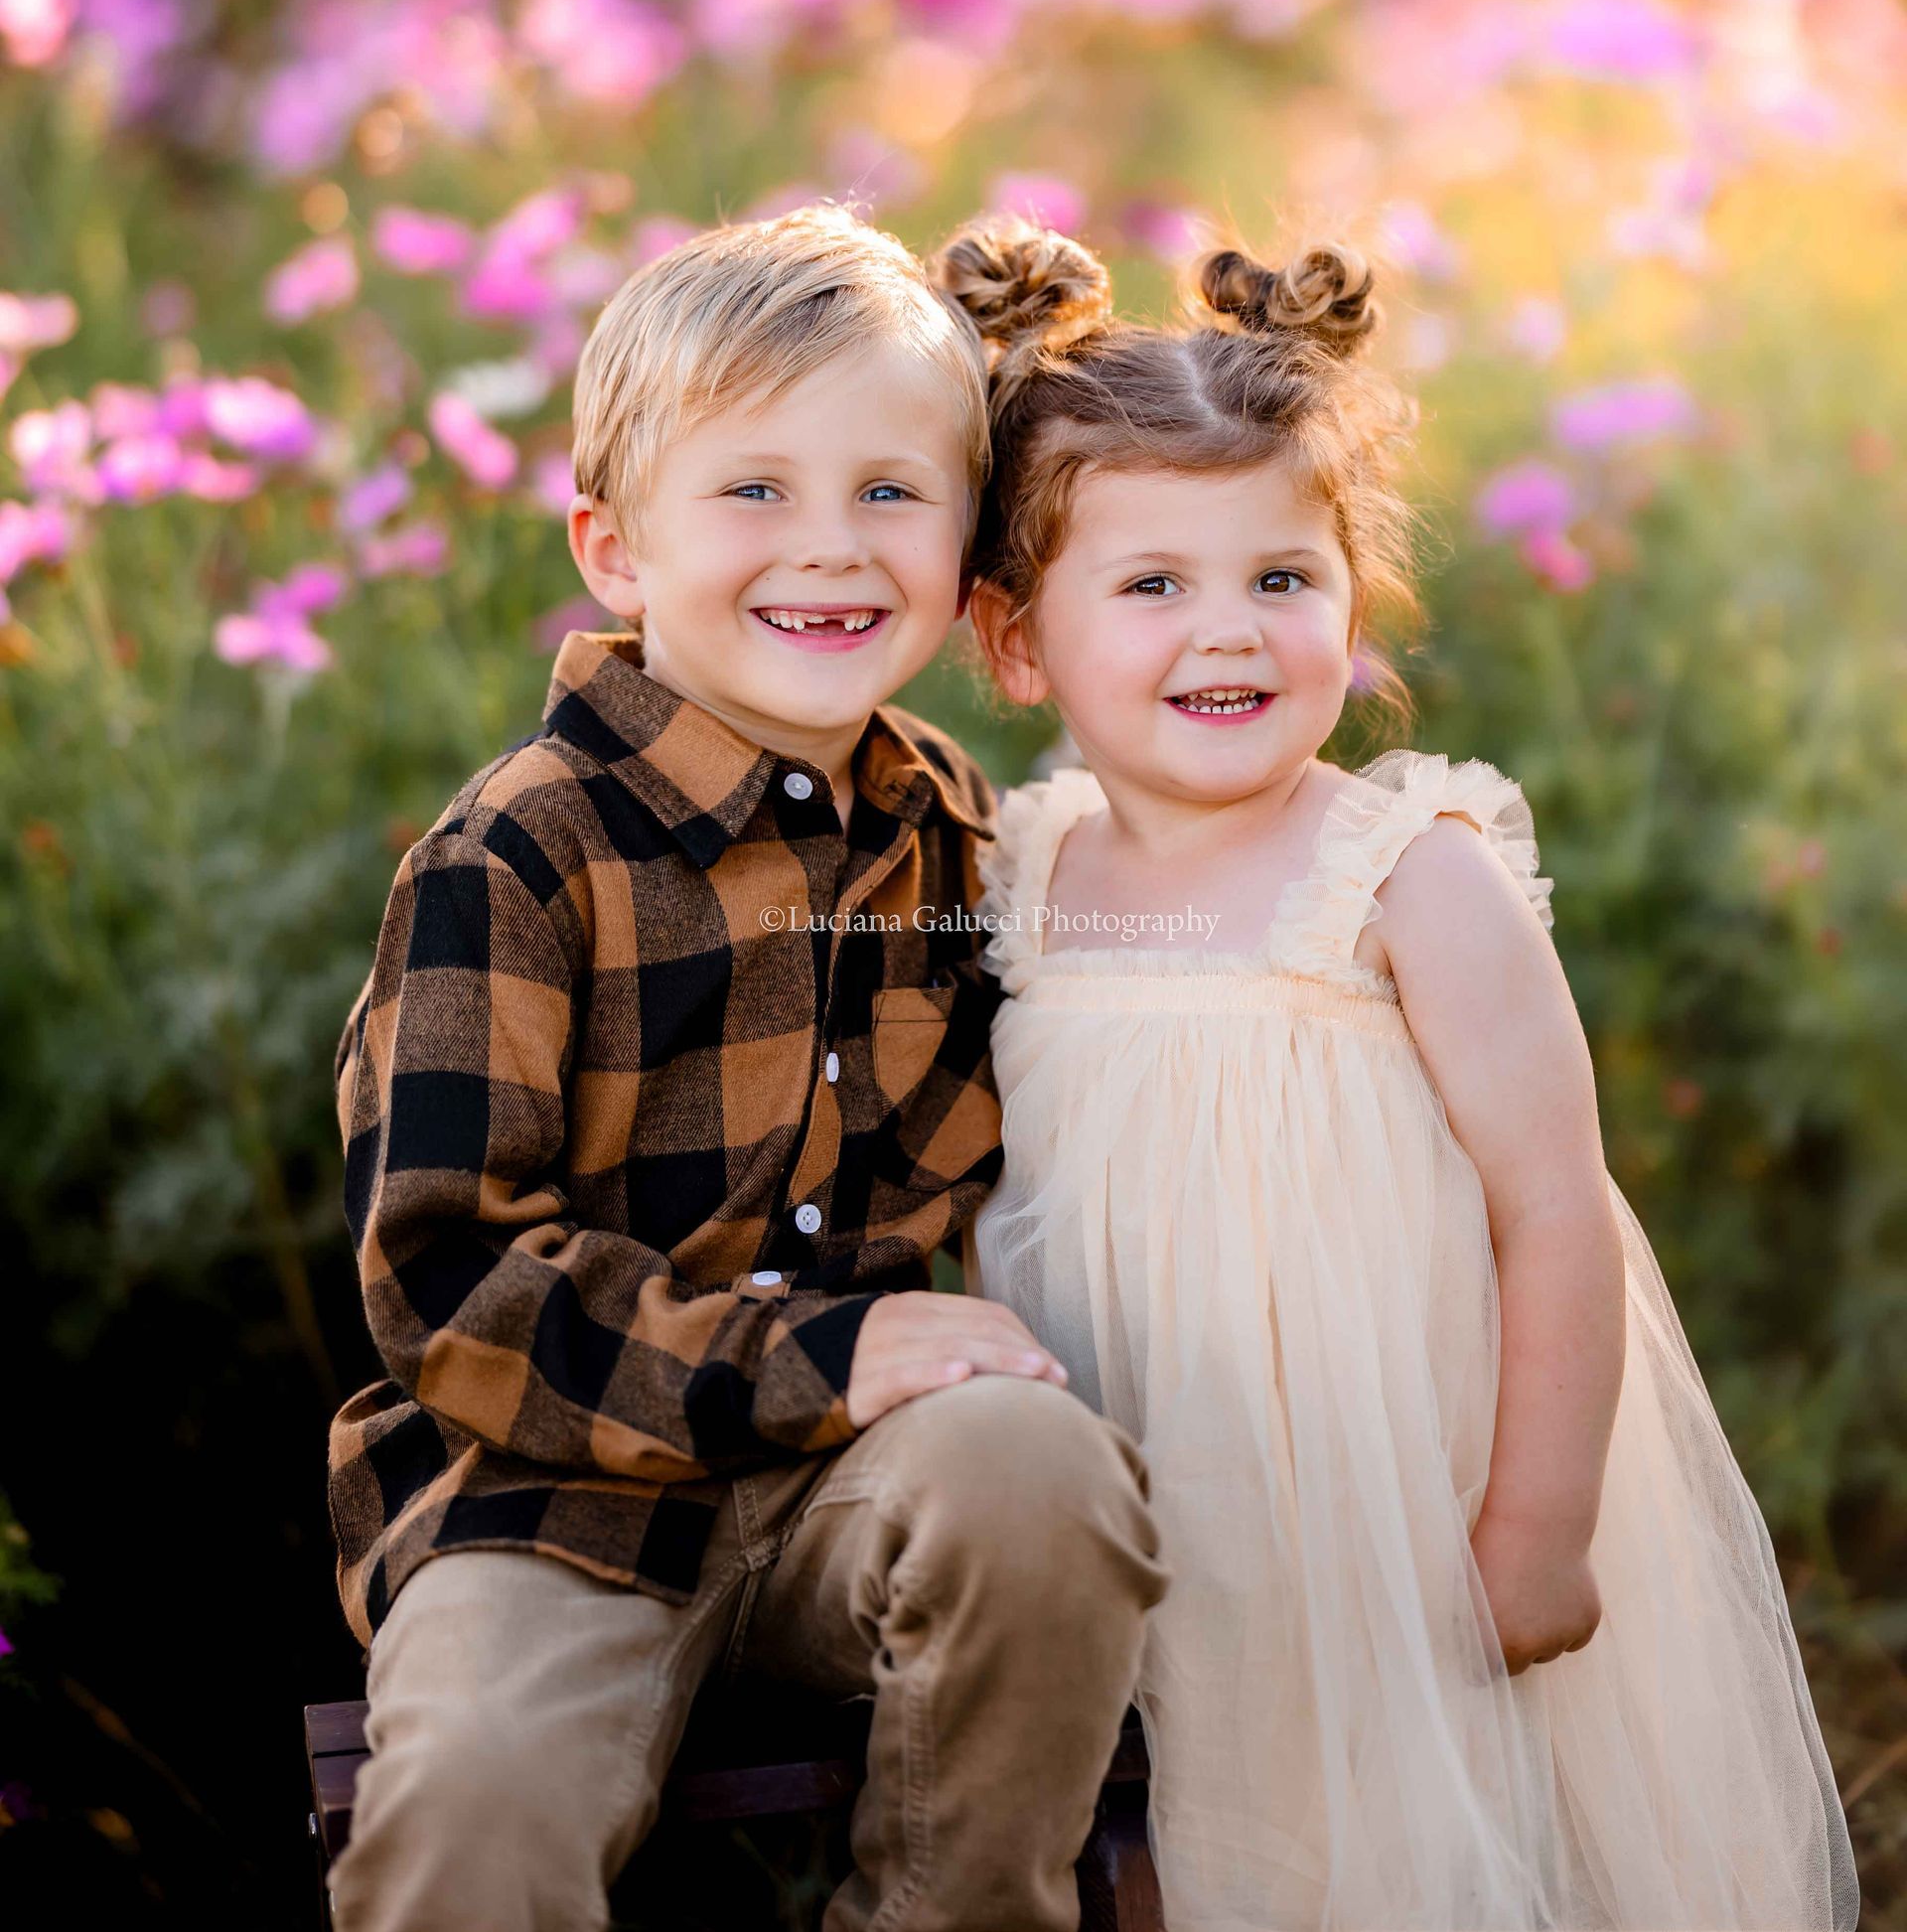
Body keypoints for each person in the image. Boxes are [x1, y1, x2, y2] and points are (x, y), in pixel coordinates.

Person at [945, 216, 1858, 1931]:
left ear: (1353, 599)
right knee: (1206, 1831)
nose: (1231, 632)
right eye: (1153, 585)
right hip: (1159, 1495)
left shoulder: (1404, 873)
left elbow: (1551, 1205)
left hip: (1407, 1498)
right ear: (1013, 641)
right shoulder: (1026, 868)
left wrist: (1539, 1517)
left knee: (1429, 1845)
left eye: (1283, 577)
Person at [325, 206, 1165, 1932]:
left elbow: (1057, 1132)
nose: (832, 548)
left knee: (1042, 1476)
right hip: (548, 1498)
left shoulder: (953, 828)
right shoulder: (520, 856)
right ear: (616, 546)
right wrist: (827, 1350)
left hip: (850, 1489)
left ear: (966, 541)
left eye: (889, 492)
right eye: (755, 490)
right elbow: (451, 1284)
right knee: (474, 1793)